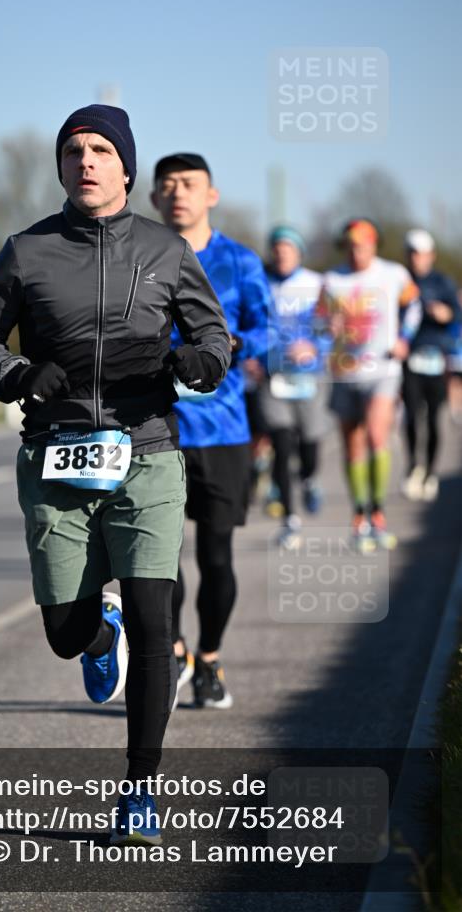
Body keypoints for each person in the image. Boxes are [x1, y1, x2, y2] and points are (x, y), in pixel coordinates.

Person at [0, 105, 231, 843]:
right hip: (56, 453)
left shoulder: (166, 250)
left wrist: (201, 360)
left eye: (100, 149)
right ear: (60, 166)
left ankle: (139, 788)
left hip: (145, 451)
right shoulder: (27, 251)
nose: (85, 160)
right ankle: (93, 630)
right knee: (62, 631)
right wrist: (17, 373)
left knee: (156, 621)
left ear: (124, 167)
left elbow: (212, 332)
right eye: (73, 150)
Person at [151, 153, 271, 708]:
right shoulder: (138, 259)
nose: (178, 193)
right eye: (168, 185)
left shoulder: (239, 261)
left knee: (217, 556)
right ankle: (174, 651)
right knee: (158, 557)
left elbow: (265, 330)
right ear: (152, 198)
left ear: (211, 195)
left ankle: (211, 659)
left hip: (223, 429)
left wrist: (230, 346)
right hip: (155, 428)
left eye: (189, 184)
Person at [317, 218, 421, 552]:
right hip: (345, 371)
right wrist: (326, 326)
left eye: (362, 244)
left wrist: (404, 338)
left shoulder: (393, 274)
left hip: (383, 370)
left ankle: (378, 512)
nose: (356, 250)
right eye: (350, 244)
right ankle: (359, 511)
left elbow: (414, 305)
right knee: (353, 444)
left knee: (378, 435)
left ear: (373, 244)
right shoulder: (332, 280)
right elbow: (317, 319)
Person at [259, 225, 329, 550]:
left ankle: (310, 479)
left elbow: (333, 327)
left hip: (309, 376)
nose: (281, 254)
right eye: (277, 248)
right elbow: (249, 322)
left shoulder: (316, 284)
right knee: (281, 444)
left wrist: (315, 346)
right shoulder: (259, 282)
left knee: (310, 444)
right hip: (273, 377)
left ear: (298, 253)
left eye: (288, 248)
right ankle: (290, 519)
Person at [401, 229, 461, 501]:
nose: (417, 259)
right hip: (410, 358)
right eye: (412, 253)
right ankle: (414, 464)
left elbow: (456, 315)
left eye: (422, 254)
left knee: (435, 419)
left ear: (431, 256)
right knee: (412, 416)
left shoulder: (443, 282)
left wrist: (445, 313)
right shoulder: (401, 281)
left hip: (437, 357)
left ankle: (431, 472)